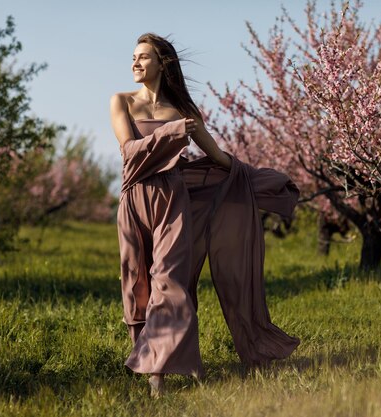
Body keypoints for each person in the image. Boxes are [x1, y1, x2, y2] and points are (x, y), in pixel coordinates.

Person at [110, 33, 299, 398]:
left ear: (162, 64)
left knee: (170, 281)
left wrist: (256, 178)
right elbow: (130, 151)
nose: (134, 63)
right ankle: (155, 354)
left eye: (143, 57)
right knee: (138, 285)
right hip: (134, 201)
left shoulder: (185, 113)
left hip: (173, 201)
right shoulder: (121, 101)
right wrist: (173, 131)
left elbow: (218, 157)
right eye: (133, 57)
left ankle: (159, 373)